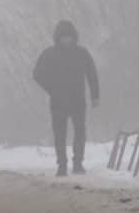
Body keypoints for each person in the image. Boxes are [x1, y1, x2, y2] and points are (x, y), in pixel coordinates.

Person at [32, 20, 101, 177]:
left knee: (80, 131)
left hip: (78, 100)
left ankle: (78, 163)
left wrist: (95, 96)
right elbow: (37, 74)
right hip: (58, 101)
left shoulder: (82, 53)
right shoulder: (49, 54)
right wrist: (51, 88)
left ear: (74, 37)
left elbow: (92, 74)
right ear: (58, 38)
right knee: (59, 133)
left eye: (69, 37)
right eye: (63, 37)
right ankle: (62, 165)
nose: (66, 40)